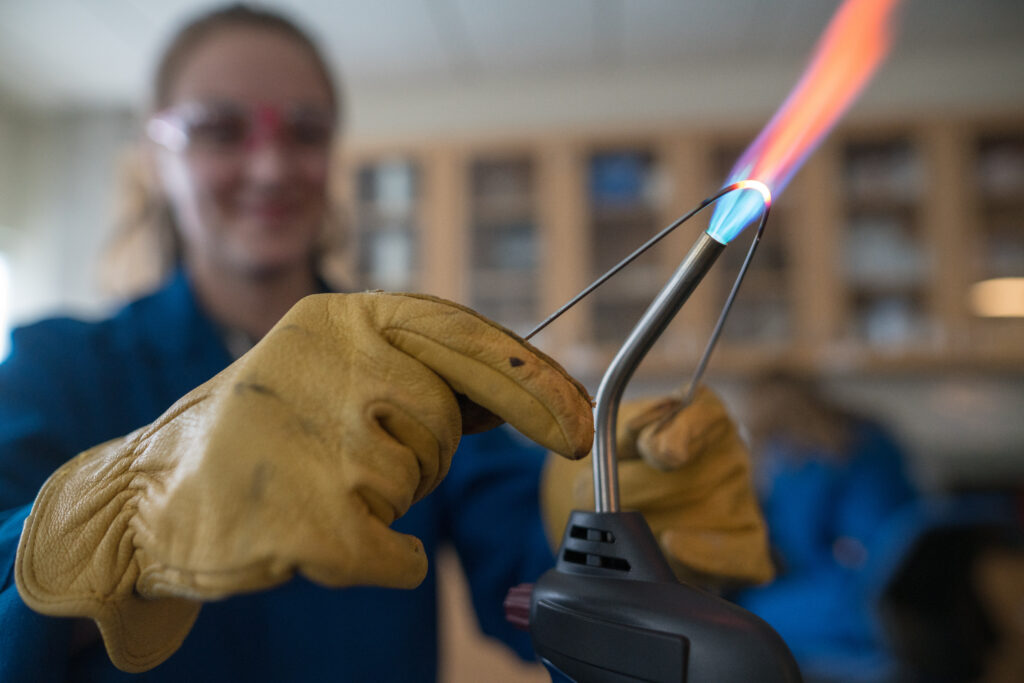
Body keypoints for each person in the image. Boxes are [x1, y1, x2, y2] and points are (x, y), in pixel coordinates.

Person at [0, 5, 773, 681]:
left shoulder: (411, 362)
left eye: (303, 131)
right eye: (219, 130)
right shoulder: (58, 367)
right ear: (156, 155)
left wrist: (611, 528)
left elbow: (528, 581)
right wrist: (121, 523)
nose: (270, 165)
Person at [731, 371, 919, 681]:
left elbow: (800, 546)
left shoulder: (805, 459)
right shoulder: (872, 437)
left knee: (746, 621)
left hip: (859, 595)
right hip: (910, 589)